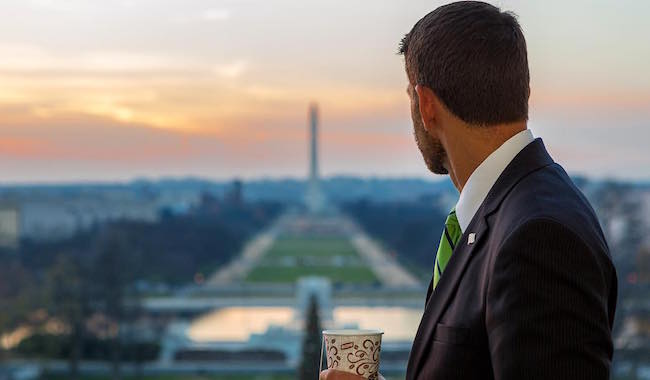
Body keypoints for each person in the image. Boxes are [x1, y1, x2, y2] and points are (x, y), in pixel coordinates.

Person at [320, 1, 617, 379]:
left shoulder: (538, 234)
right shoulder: (522, 208)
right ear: (523, 91)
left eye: (410, 98)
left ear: (426, 105)